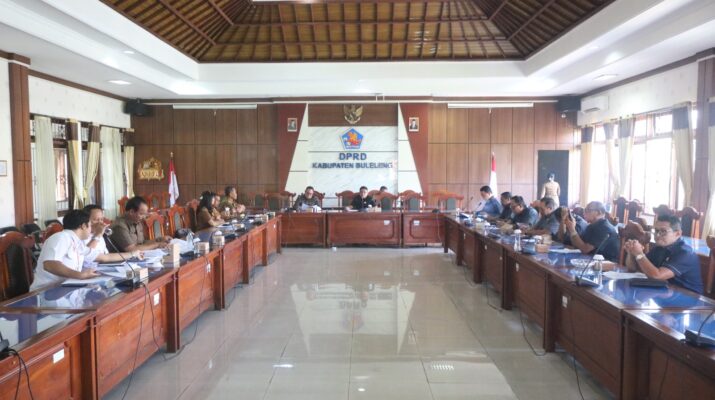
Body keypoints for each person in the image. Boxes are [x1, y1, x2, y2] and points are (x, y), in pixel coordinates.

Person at [623, 214, 703, 293]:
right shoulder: (659, 248)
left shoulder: (685, 253)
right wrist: (631, 252)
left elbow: (657, 276)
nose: (657, 235)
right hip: (664, 290)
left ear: (677, 234)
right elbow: (633, 268)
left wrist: (639, 254)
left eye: (663, 231)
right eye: (656, 231)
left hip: (687, 296)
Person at [30, 210, 100, 290]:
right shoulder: (61, 238)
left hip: (65, 289)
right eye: (90, 226)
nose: (91, 229)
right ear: (83, 226)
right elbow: (49, 264)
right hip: (46, 291)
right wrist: (80, 275)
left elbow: (103, 257)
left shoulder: (77, 242)